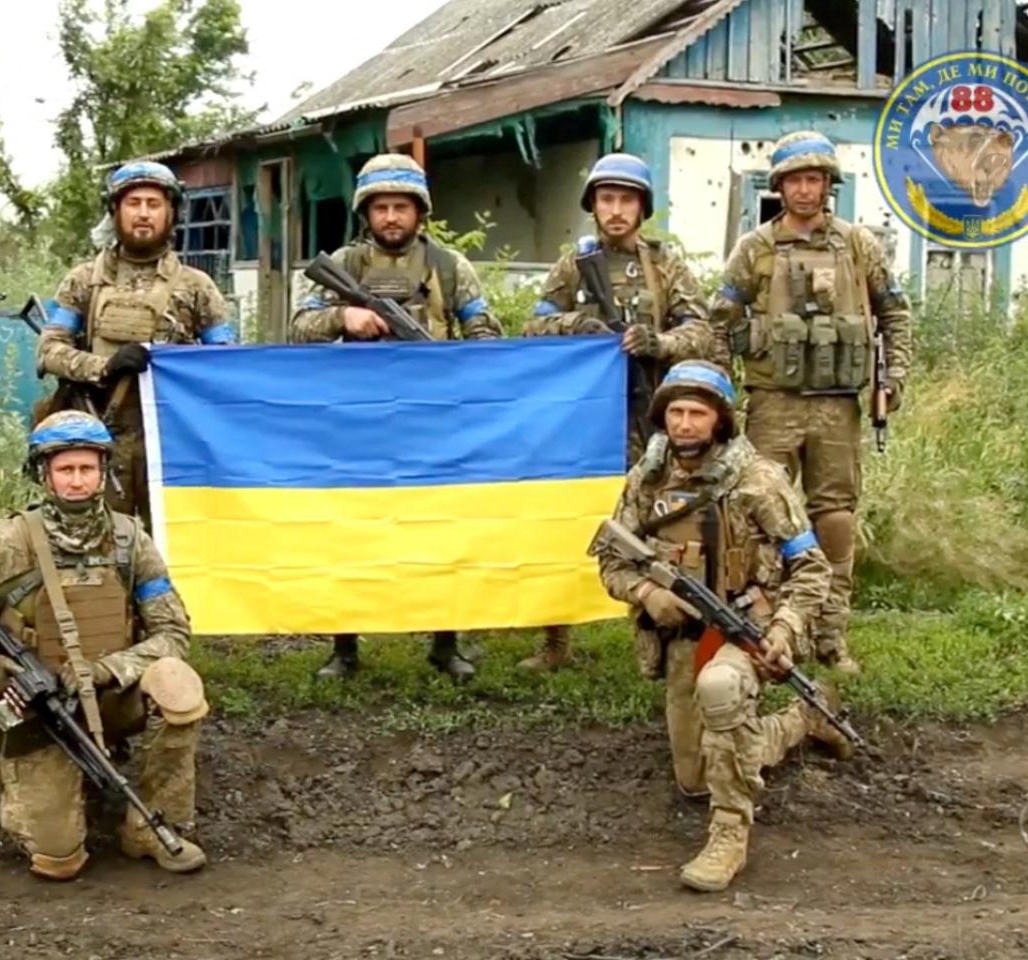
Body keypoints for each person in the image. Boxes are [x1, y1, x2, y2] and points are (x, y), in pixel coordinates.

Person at [592, 361, 854, 892]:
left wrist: (782, 631)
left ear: (720, 421)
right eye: (676, 413)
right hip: (686, 637)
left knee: (721, 690)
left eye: (698, 413)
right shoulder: (646, 481)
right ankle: (802, 720)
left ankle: (729, 835)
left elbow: (810, 567)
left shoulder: (758, 481)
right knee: (695, 777)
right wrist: (649, 593)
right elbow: (611, 560)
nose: (685, 423)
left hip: (751, 624)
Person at [0, 411, 207, 880]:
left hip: (111, 693)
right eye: (65, 469)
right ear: (44, 474)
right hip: (35, 708)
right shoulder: (5, 541)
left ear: (103, 472)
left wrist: (109, 669)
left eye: (87, 468)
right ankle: (15, 777)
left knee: (178, 683)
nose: (77, 481)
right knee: (59, 860)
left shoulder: (130, 540)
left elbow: (173, 633)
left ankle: (152, 824)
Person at [289, 152, 502, 681]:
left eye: (400, 207)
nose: (390, 217)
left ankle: (445, 643)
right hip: (355, 420)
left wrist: (459, 364)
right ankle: (344, 647)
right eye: (381, 207)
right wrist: (345, 315)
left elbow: (485, 333)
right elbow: (297, 326)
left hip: (432, 419)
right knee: (351, 533)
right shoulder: (345, 263)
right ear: (367, 212)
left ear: (419, 211)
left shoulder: (451, 267)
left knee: (441, 530)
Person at [713, 131, 914, 675]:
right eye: (796, 180)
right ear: (779, 186)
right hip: (773, 401)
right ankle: (765, 627)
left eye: (815, 179)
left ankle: (830, 634)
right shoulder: (753, 249)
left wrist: (892, 376)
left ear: (829, 185)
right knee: (762, 516)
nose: (806, 190)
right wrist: (718, 396)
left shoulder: (857, 246)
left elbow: (894, 312)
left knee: (836, 517)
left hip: (837, 407)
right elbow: (718, 322)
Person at [518, 152, 719, 672]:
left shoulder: (664, 265)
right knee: (569, 519)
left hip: (649, 417)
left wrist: (658, 342)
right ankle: (556, 641)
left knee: (656, 526)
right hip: (585, 419)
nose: (615, 209)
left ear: (641, 207)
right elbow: (532, 327)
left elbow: (702, 333)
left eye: (625, 199)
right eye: (606, 199)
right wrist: (577, 326)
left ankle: (652, 636)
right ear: (593, 205)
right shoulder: (574, 265)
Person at [38, 161, 236, 534]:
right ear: (116, 211)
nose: (143, 213)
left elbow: (224, 365)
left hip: (172, 442)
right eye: (133, 203)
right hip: (99, 436)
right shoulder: (84, 280)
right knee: (99, 546)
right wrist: (104, 367)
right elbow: (49, 350)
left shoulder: (197, 286)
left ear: (171, 213)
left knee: (172, 543)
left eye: (153, 203)